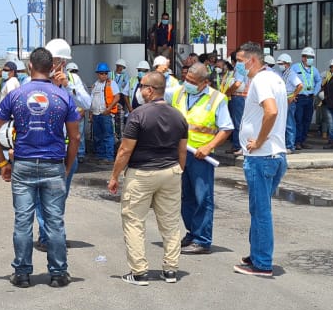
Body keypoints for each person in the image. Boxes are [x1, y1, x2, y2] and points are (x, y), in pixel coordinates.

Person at [0, 46, 80, 289]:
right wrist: (67, 166)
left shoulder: (16, 95)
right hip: (53, 165)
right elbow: (75, 138)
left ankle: (23, 273)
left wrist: (2, 163)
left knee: (23, 221)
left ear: (30, 67)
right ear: (52, 68)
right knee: (55, 221)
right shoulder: (63, 97)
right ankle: (58, 273)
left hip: (23, 165)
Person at [107, 71, 187, 285]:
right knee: (170, 223)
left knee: (134, 221)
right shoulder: (178, 116)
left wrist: (114, 176)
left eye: (142, 86)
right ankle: (170, 270)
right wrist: (179, 170)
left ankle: (139, 272)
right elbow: (182, 150)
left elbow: (124, 150)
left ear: (150, 90)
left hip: (141, 173)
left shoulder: (138, 115)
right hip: (170, 172)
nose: (139, 90)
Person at [234, 42, 288, 278]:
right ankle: (257, 252)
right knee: (259, 208)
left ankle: (262, 262)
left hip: (262, 156)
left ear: (252, 60)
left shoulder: (261, 80)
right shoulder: (275, 78)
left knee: (261, 211)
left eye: (239, 61)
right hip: (273, 155)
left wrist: (257, 141)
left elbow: (271, 110)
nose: (237, 65)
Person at [172, 63, 232, 255]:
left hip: (201, 155)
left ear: (204, 82)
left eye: (191, 82)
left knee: (202, 197)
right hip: (181, 152)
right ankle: (192, 232)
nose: (186, 83)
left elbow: (226, 128)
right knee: (185, 196)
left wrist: (209, 147)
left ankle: (202, 239)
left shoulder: (217, 98)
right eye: (186, 79)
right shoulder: (179, 93)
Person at [89, 62, 121, 163]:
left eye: (105, 73)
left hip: (106, 114)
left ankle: (109, 156)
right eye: (102, 73)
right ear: (98, 74)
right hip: (96, 114)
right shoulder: (95, 85)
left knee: (108, 135)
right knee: (98, 136)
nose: (104, 75)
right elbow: (92, 99)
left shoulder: (112, 83)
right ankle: (100, 155)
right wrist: (91, 114)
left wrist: (109, 109)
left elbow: (117, 97)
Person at [289, 47, 320, 150]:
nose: (311, 59)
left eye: (312, 57)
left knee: (307, 120)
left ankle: (303, 141)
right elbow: (290, 81)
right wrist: (293, 95)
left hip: (310, 98)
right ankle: (297, 141)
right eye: (309, 57)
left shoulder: (314, 70)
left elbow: (318, 81)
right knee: (298, 120)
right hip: (299, 97)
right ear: (303, 57)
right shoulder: (295, 68)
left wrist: (315, 92)